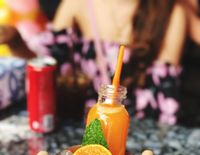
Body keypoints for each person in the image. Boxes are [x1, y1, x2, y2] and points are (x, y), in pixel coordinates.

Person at [0, 0, 187, 125]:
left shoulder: (171, 11)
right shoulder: (79, 3)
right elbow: (47, 66)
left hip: (137, 128)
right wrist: (16, 41)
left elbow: (165, 100)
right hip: (81, 126)